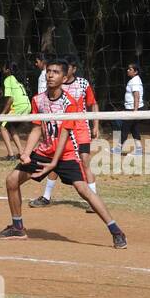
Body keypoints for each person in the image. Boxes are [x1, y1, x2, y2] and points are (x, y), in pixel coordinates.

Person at [0, 58, 126, 247]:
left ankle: (116, 231)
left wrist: (55, 163)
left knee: (84, 190)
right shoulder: (38, 99)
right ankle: (17, 227)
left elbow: (64, 134)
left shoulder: (69, 103)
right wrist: (26, 152)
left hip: (66, 153)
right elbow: (37, 129)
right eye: (48, 71)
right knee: (11, 180)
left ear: (65, 78)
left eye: (55, 72)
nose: (50, 75)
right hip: (44, 151)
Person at [31, 54, 98, 206]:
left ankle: (93, 199)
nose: (60, 72)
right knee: (57, 160)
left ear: (73, 69)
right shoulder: (55, 85)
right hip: (62, 130)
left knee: (85, 162)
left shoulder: (82, 83)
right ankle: (46, 197)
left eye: (65, 68)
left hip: (81, 129)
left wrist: (96, 125)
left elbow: (93, 103)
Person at [0, 61, 32, 160]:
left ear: (8, 70)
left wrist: (3, 113)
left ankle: (11, 154)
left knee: (2, 127)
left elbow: (10, 99)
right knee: (11, 127)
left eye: (3, 67)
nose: (2, 69)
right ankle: (21, 152)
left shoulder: (8, 79)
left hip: (19, 106)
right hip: (27, 105)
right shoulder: (18, 79)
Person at [116, 62, 145, 156]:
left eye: (130, 69)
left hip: (133, 109)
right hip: (131, 108)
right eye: (128, 69)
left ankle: (118, 148)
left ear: (135, 72)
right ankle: (139, 150)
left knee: (125, 128)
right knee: (134, 129)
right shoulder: (134, 79)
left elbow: (136, 95)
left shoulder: (135, 81)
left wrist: (135, 111)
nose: (128, 70)